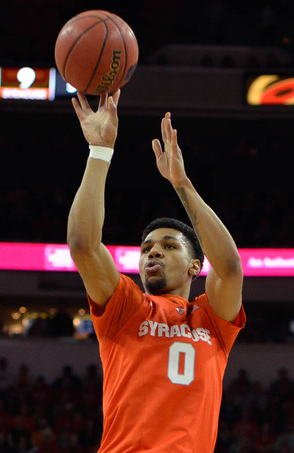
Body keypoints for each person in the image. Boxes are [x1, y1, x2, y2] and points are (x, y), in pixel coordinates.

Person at [67, 90, 246, 453]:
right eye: (147, 248)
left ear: (196, 265)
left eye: (168, 246)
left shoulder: (211, 320)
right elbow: (83, 245)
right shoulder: (126, 308)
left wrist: (182, 185)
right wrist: (99, 152)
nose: (153, 253)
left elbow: (228, 267)